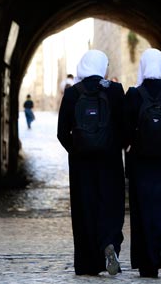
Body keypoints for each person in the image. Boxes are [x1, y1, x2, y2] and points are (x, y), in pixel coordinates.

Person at [57, 50, 126, 276]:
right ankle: (109, 243)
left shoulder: (72, 93)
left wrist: (76, 150)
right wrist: (117, 147)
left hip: (81, 165)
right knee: (111, 205)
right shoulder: (115, 91)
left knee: (84, 208)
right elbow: (125, 126)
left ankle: (88, 263)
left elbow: (61, 132)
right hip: (110, 161)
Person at [123, 48, 161, 278]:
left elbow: (125, 133)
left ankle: (148, 264)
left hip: (141, 164)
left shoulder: (133, 95)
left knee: (143, 213)